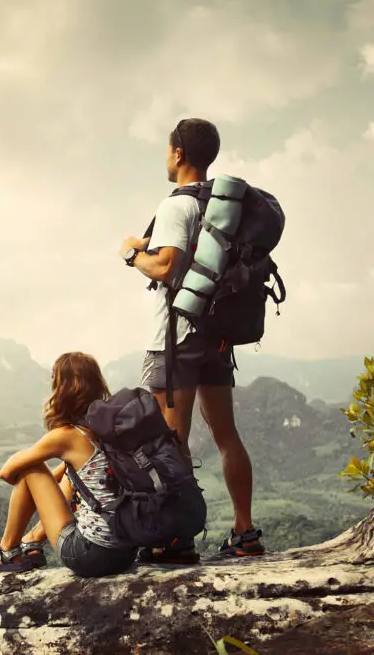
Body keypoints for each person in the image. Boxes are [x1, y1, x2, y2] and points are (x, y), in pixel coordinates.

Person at [116, 117, 265, 562]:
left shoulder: (176, 206)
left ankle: (176, 538)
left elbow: (165, 267)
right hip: (217, 336)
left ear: (179, 153)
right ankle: (245, 532)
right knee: (226, 435)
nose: (165, 156)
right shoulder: (223, 208)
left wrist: (130, 253)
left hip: (176, 338)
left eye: (167, 149)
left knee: (170, 439)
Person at [0, 352, 138, 578]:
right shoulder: (109, 429)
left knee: (32, 470)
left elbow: (7, 472)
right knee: (69, 474)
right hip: (126, 553)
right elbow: (76, 476)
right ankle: (31, 542)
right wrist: (63, 468)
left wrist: (34, 454)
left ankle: (6, 551)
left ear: (62, 388)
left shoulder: (67, 435)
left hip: (91, 556)